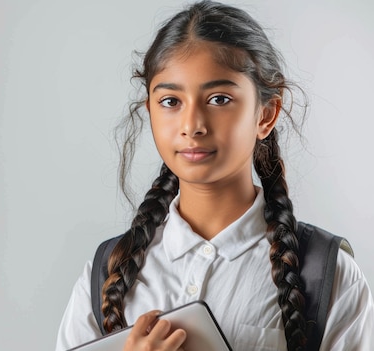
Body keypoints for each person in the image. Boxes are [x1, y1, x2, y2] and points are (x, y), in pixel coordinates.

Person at [55, 1, 374, 350]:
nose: (192, 125)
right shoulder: (104, 272)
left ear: (266, 114)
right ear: (150, 109)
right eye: (170, 102)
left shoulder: (327, 272)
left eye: (219, 99)